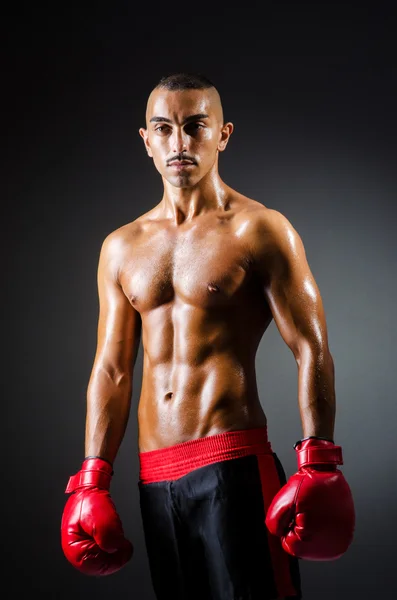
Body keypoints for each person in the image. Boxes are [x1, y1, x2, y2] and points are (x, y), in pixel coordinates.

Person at [61, 72, 355, 600]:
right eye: (164, 129)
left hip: (234, 467)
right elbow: (112, 370)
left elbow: (311, 347)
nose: (179, 143)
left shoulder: (260, 230)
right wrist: (92, 477)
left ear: (223, 134)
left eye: (195, 127)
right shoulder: (121, 248)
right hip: (155, 479)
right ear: (146, 140)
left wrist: (319, 460)